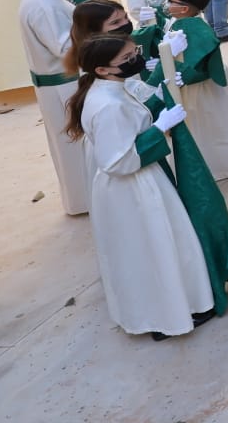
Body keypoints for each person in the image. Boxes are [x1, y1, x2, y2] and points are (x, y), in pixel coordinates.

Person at [64, 36, 215, 339]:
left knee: (152, 248)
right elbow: (118, 161)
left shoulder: (109, 89)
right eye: (127, 57)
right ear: (104, 69)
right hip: (132, 186)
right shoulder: (108, 106)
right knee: (153, 249)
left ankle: (167, 309)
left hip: (137, 182)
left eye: (134, 52)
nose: (135, 59)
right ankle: (164, 317)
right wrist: (159, 129)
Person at [148, 0, 228, 180]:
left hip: (198, 86)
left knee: (206, 124)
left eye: (171, 2)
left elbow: (195, 60)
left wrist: (175, 69)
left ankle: (217, 165)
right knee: (221, 119)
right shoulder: (187, 22)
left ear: (184, 8)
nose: (167, 5)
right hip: (204, 83)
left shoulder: (188, 28)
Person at [14, 0, 92, 213]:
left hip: (61, 82)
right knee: (76, 144)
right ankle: (87, 200)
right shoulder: (42, 7)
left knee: (72, 145)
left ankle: (85, 198)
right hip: (64, 84)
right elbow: (64, 48)